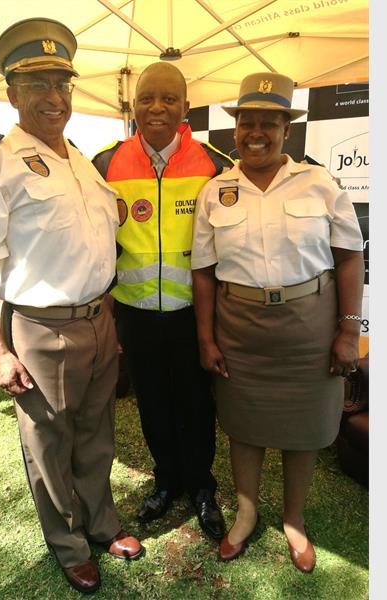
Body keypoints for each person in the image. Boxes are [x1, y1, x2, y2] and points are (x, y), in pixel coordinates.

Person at [0, 17, 141, 595]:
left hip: (98, 320)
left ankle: (102, 524)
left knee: (96, 434)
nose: (54, 96)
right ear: (12, 93)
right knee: (49, 444)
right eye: (37, 84)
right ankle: (69, 544)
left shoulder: (77, 158)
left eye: (62, 82)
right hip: (42, 327)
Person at [191, 72, 364, 572]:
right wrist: (205, 338)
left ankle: (294, 519)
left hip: (309, 328)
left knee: (304, 430)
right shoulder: (216, 191)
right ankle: (246, 513)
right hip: (239, 330)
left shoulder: (319, 184)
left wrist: (348, 330)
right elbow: (203, 272)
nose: (256, 133)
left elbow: (349, 256)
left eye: (269, 123)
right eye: (247, 122)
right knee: (244, 428)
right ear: (235, 129)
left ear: (287, 130)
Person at [92, 62, 233, 542]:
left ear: (185, 107)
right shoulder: (105, 165)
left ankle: (202, 487)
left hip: (194, 314)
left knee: (196, 403)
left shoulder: (214, 164)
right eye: (147, 98)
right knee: (151, 402)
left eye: (168, 99)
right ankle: (166, 480)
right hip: (134, 314)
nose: (157, 107)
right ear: (133, 105)